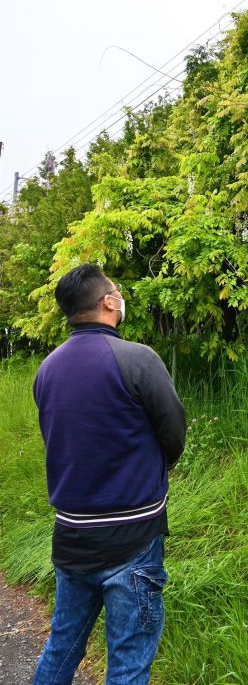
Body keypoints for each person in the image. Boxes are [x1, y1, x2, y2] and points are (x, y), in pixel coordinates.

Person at [31, 264, 186, 685]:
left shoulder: (47, 369)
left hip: (72, 536)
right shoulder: (138, 359)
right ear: (108, 302)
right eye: (117, 291)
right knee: (129, 662)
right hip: (133, 537)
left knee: (61, 649)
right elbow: (173, 432)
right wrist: (160, 466)